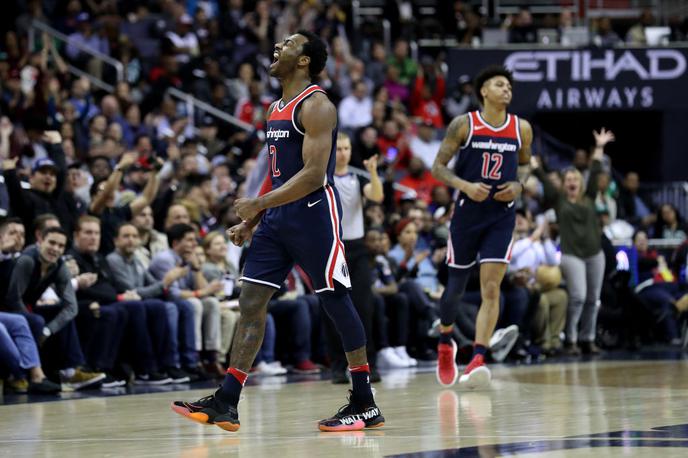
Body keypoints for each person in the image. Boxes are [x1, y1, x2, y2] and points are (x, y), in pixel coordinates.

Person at [172, 30, 384, 432]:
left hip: (313, 214)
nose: (277, 48)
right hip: (275, 220)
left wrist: (258, 205)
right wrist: (251, 221)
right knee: (251, 299)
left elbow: (312, 174)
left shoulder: (318, 105)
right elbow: (276, 172)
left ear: (304, 60)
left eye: (287, 44)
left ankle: (364, 400)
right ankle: (227, 400)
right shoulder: (274, 108)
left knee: (335, 300)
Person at [431, 65, 533, 388]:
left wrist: (519, 185)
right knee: (455, 288)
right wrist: (464, 185)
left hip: (501, 217)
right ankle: (446, 340)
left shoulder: (522, 129)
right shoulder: (464, 124)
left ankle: (477, 357)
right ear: (484, 91)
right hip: (467, 215)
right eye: (500, 85)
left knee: (492, 288)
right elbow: (437, 168)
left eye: (510, 87)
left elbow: (527, 166)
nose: (507, 90)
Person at [532, 129, 614, 356]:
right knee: (577, 296)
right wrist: (534, 165)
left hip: (595, 253)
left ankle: (588, 339)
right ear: (564, 184)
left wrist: (599, 146)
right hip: (571, 254)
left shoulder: (589, 196)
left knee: (593, 299)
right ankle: (570, 339)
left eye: (574, 179)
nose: (571, 182)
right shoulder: (559, 200)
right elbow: (546, 182)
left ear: (580, 182)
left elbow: (596, 169)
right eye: (567, 179)